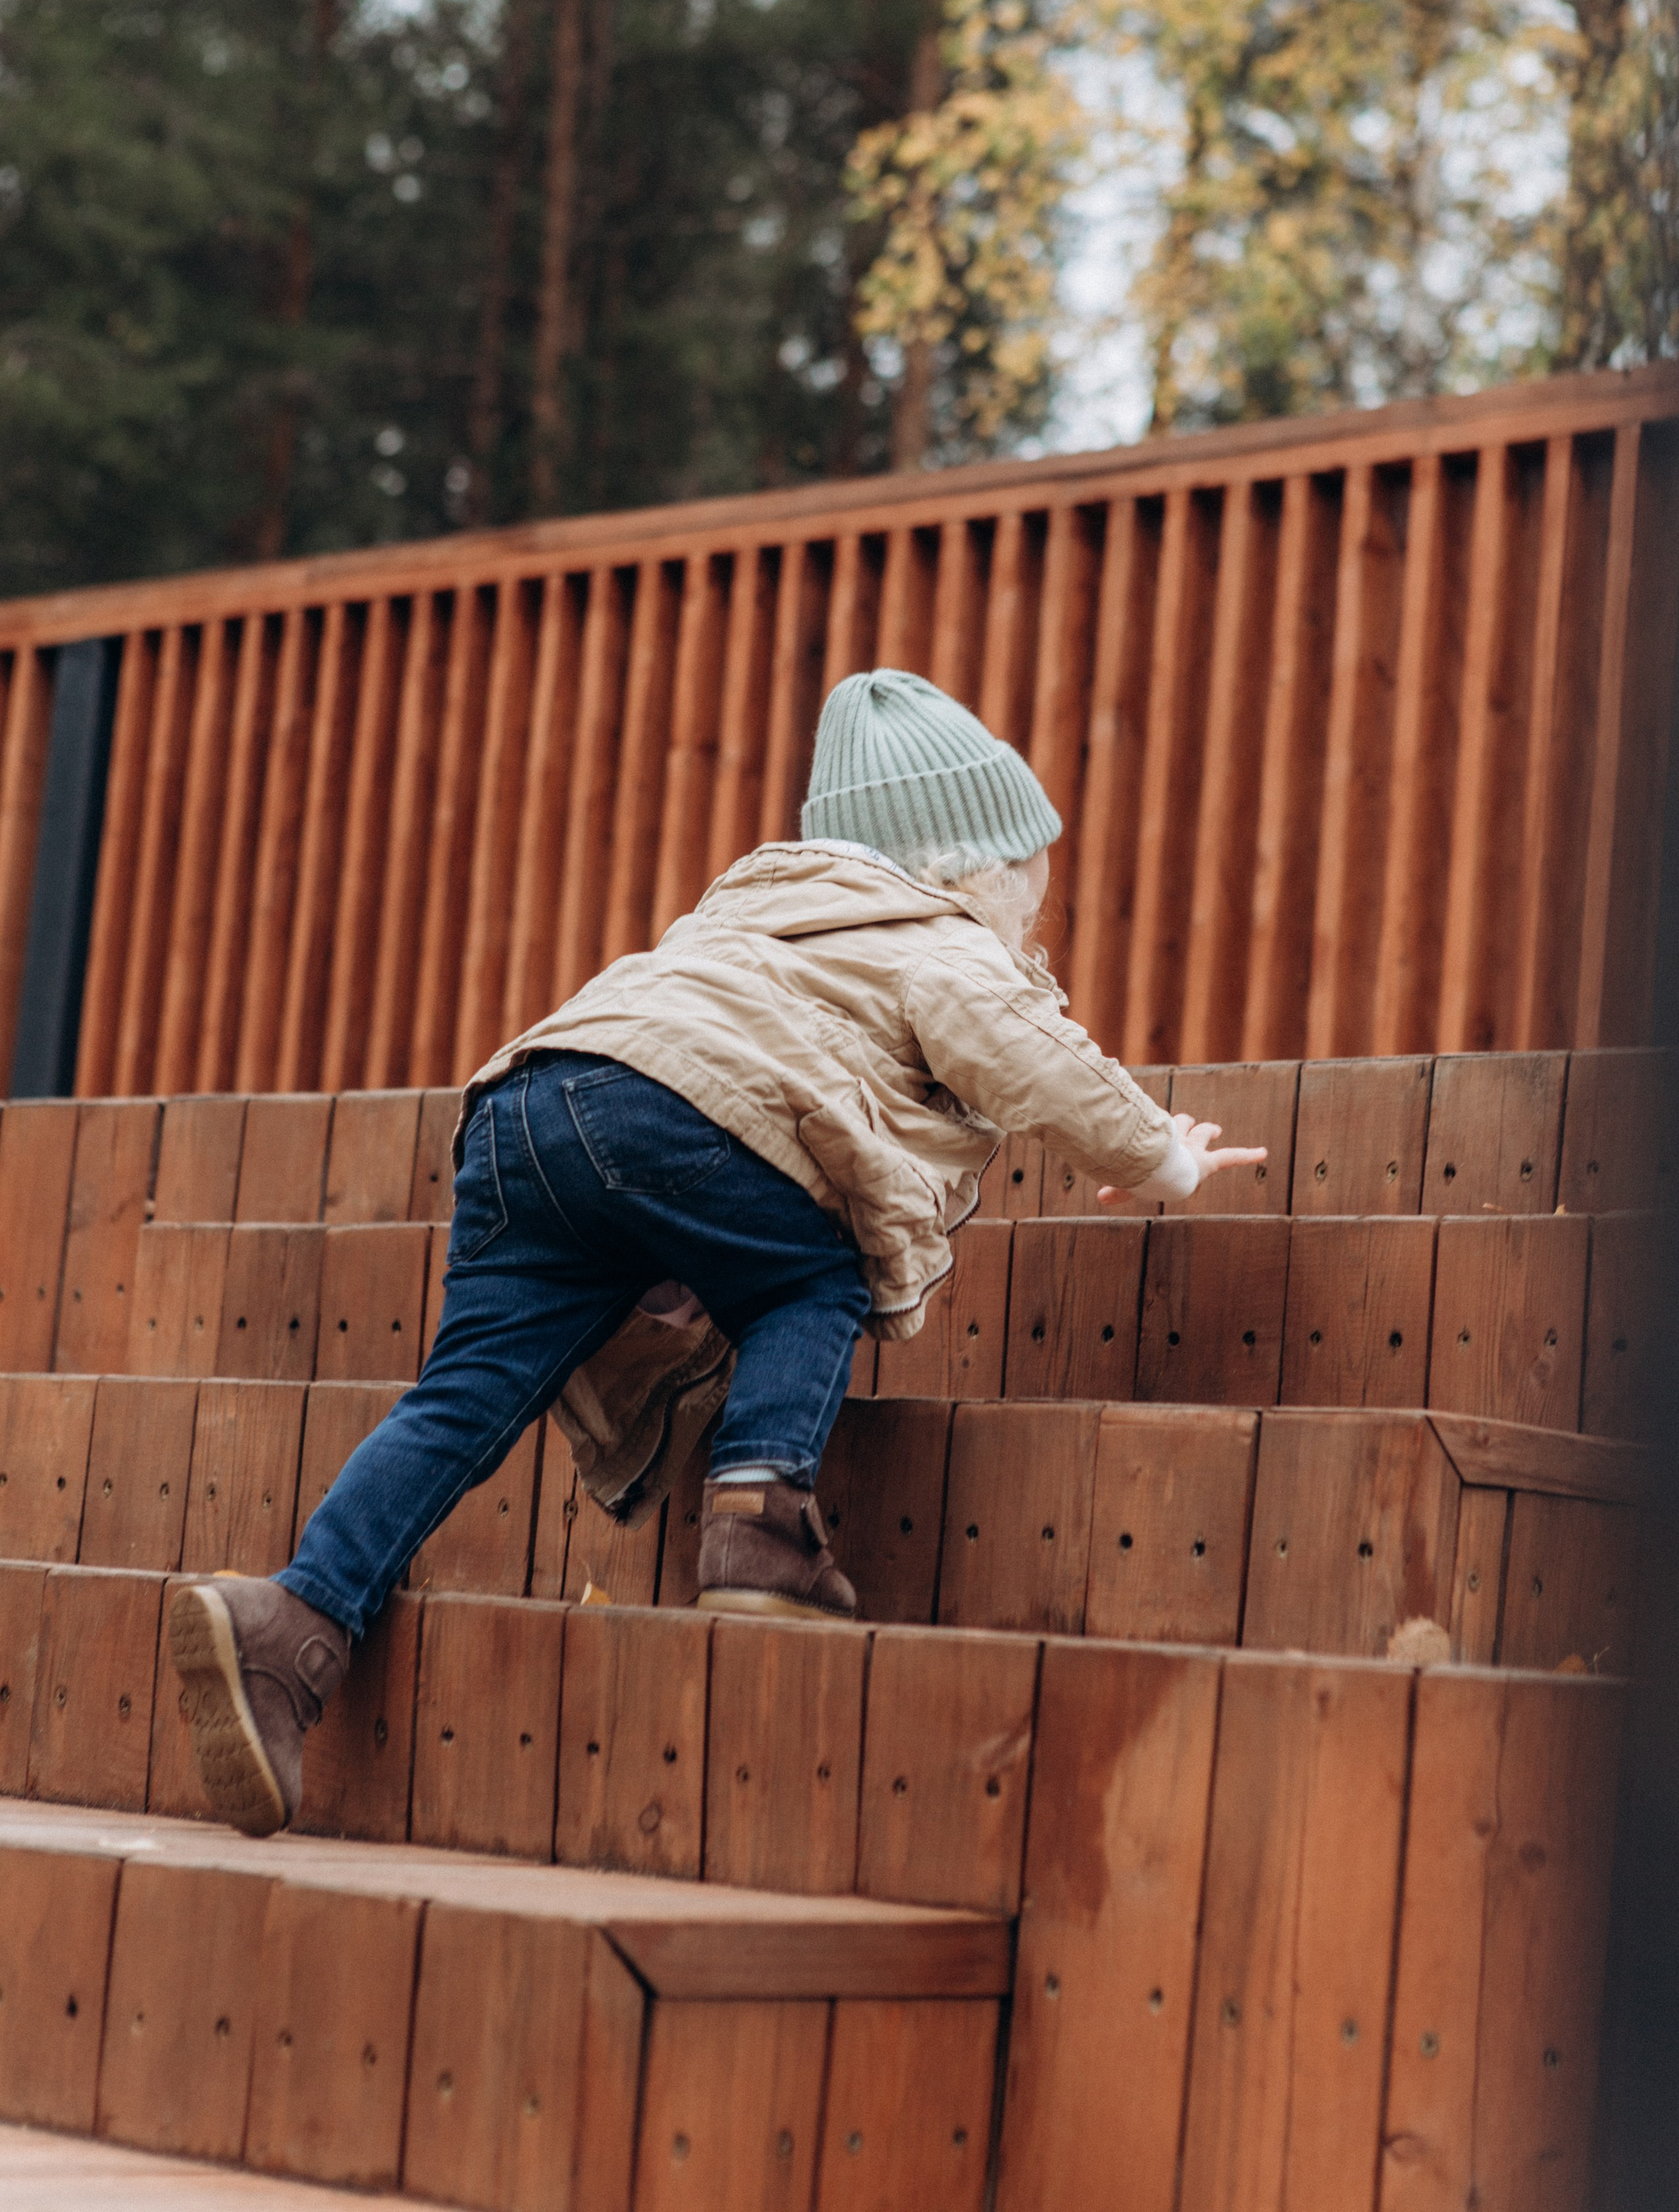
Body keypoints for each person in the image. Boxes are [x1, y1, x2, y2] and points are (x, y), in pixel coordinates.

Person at [170, 669, 1265, 1835]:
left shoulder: (742, 913)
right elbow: (1027, 1052)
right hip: (678, 1115)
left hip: (527, 1108)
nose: (1031, 929)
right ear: (968, 870)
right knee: (820, 1269)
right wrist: (1163, 1158)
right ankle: (760, 1526)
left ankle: (294, 1624)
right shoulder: (932, 931)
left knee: (463, 1395)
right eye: (1028, 898)